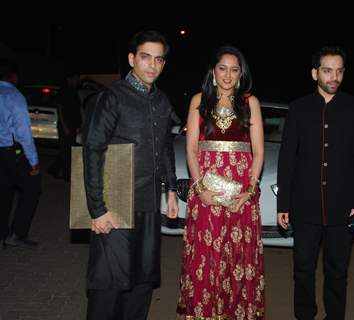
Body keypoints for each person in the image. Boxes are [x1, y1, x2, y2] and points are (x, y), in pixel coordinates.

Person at [82, 30, 178, 320]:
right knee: (110, 281)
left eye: (159, 59)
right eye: (145, 57)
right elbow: (93, 149)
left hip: (148, 202)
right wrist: (97, 209)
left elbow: (165, 147)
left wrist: (171, 190)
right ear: (131, 59)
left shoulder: (162, 101)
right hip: (116, 201)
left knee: (142, 278)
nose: (152, 65)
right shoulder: (112, 97)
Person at [277, 46, 354, 320]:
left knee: (337, 272)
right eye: (327, 70)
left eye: (339, 71)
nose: (334, 77)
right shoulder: (298, 108)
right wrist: (283, 203)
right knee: (303, 270)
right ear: (314, 73)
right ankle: (305, 315)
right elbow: (287, 160)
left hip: (344, 208)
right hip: (304, 206)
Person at [176, 46, 265, 319]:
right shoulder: (198, 101)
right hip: (207, 189)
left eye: (234, 69)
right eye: (222, 68)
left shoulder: (250, 103)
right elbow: (191, 149)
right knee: (207, 254)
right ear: (214, 72)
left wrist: (250, 191)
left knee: (238, 254)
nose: (228, 75)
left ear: (241, 74)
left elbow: (258, 151)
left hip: (240, 190)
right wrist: (200, 189)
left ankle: (235, 311)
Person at [0, 59, 42, 249]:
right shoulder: (13, 96)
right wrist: (33, 161)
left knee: (4, 192)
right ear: (13, 76)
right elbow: (23, 133)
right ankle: (17, 233)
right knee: (32, 190)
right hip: (12, 153)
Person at [47, 72, 82, 181]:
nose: (77, 81)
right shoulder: (63, 91)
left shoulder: (73, 92)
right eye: (75, 79)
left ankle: (53, 169)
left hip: (72, 125)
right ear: (69, 79)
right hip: (65, 126)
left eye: (77, 79)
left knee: (67, 150)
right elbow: (60, 109)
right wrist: (64, 126)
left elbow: (76, 110)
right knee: (66, 152)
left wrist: (78, 125)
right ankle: (67, 175)